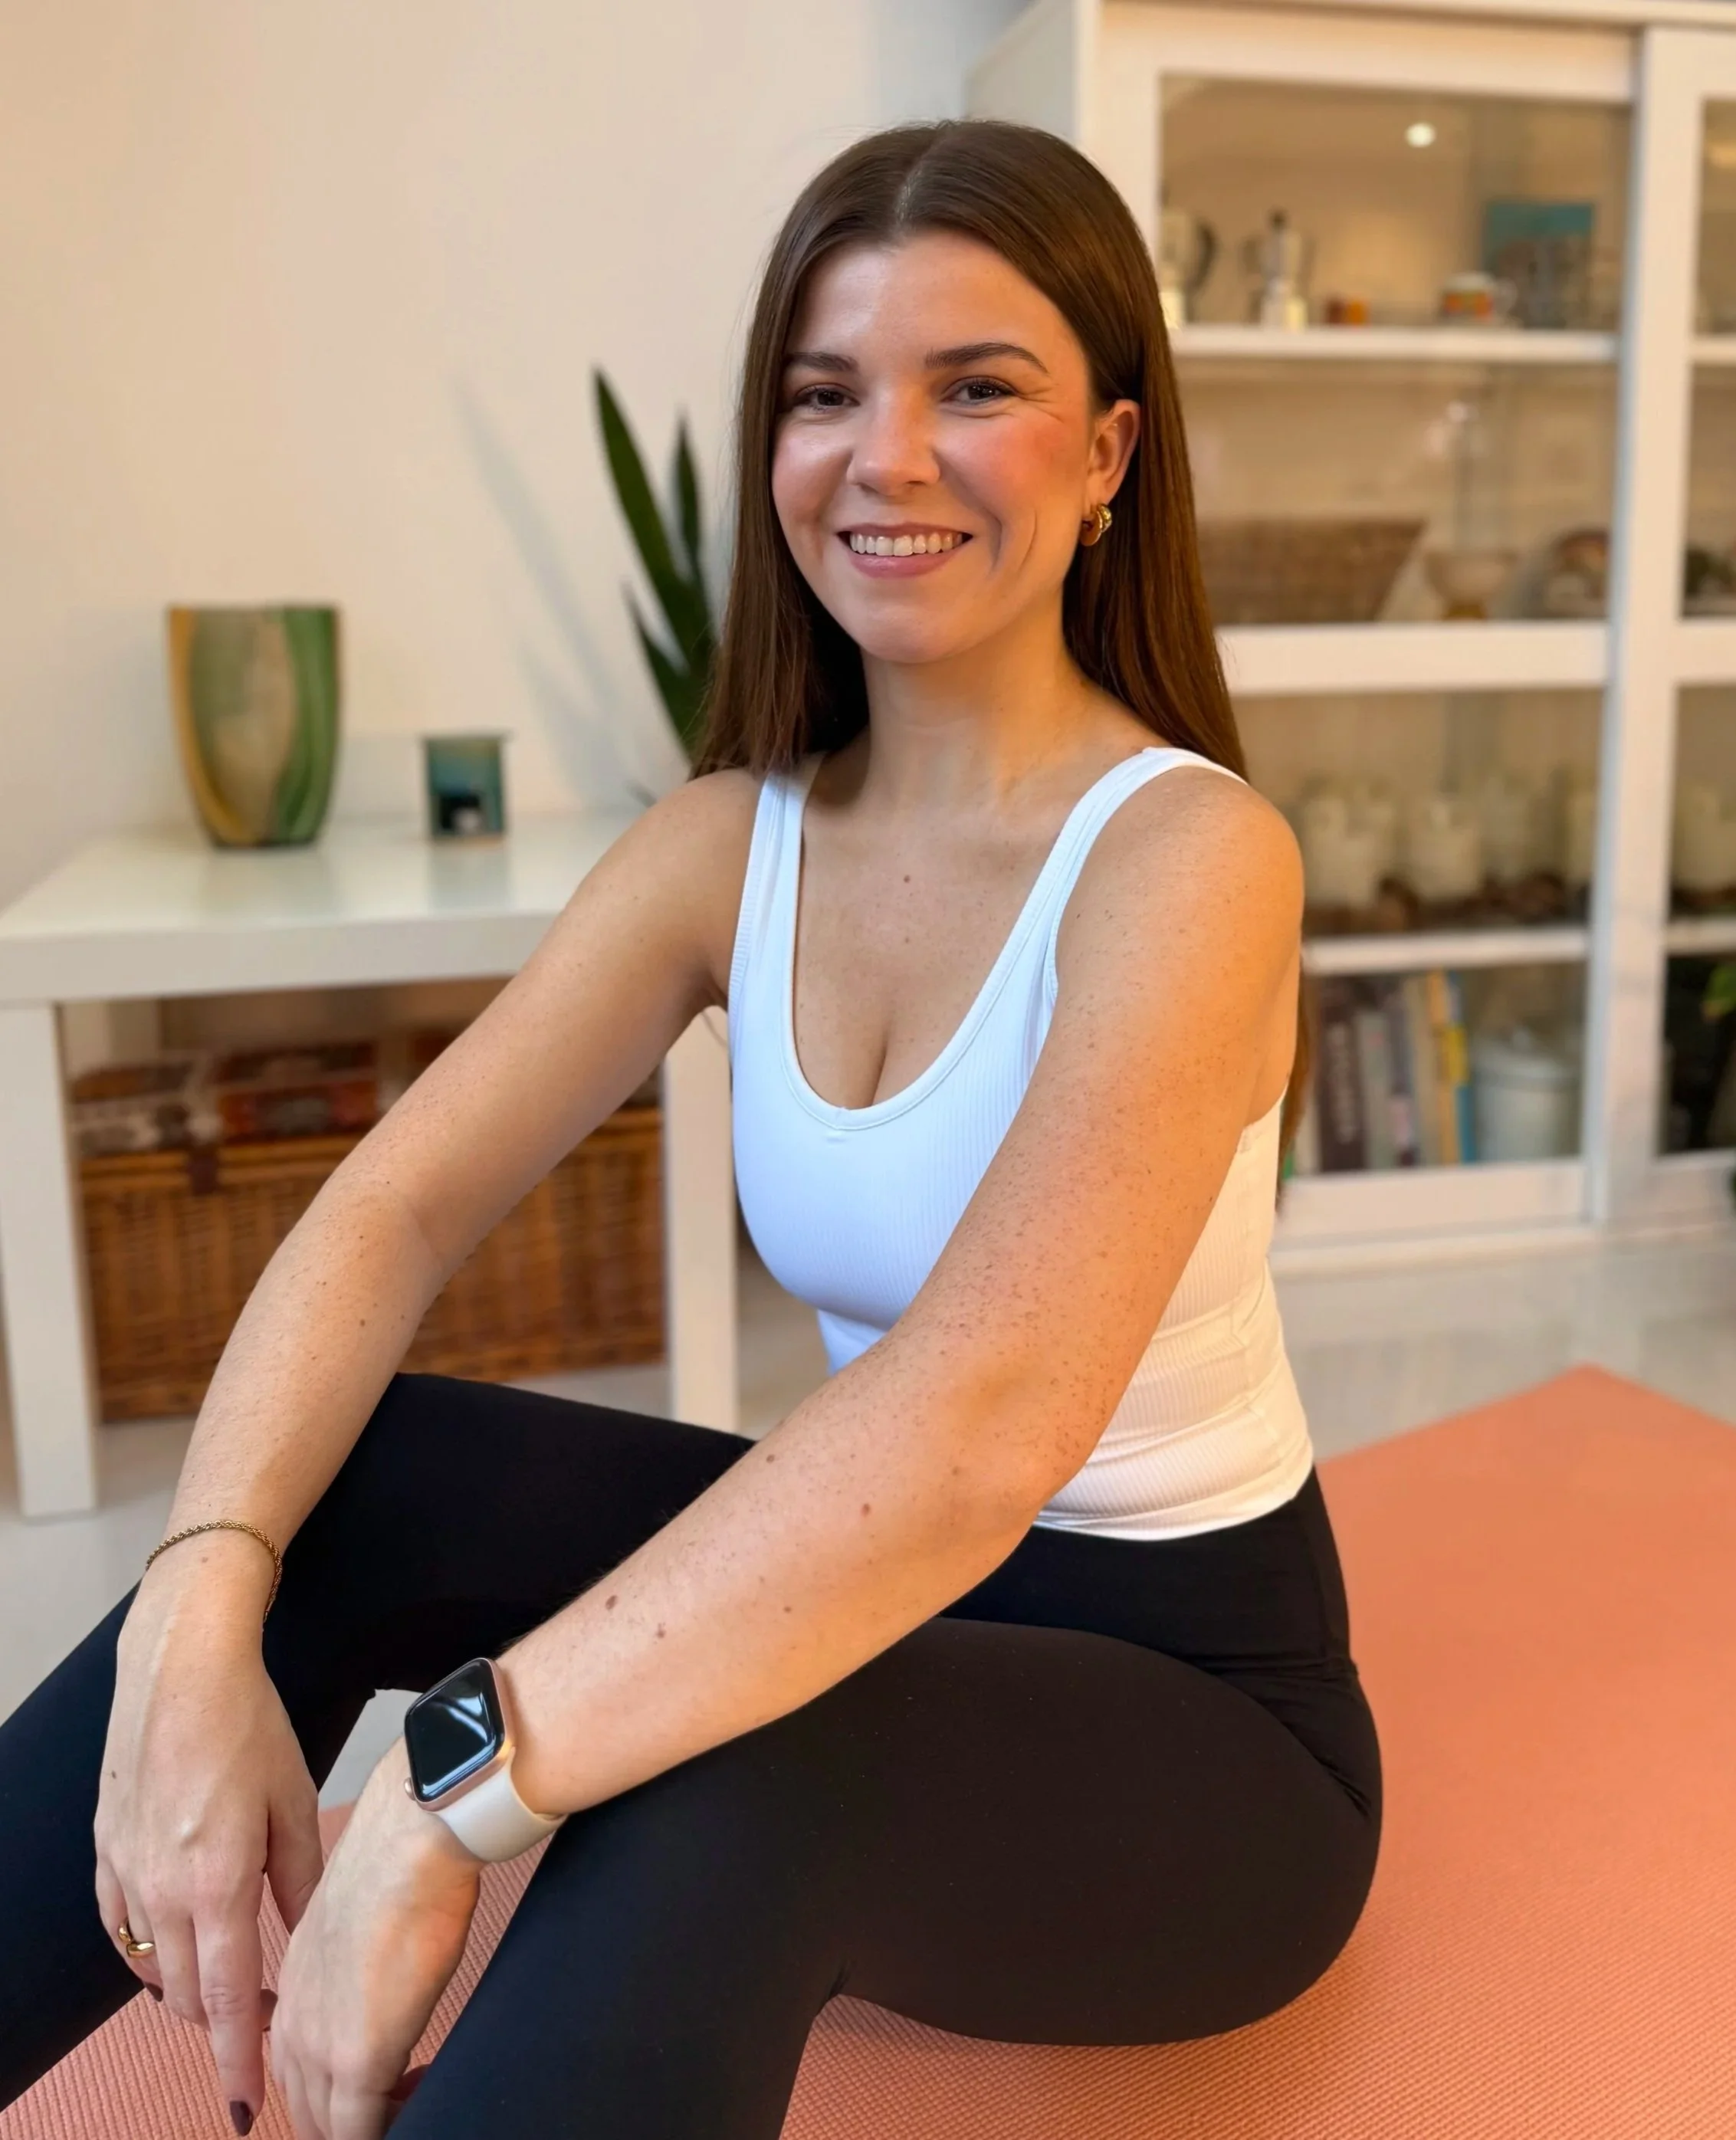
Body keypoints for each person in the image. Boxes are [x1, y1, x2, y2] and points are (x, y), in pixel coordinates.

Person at [0, 119, 1381, 2140]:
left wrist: (446, 1796)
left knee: (734, 1755)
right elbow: (386, 1215)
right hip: (894, 1589)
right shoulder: (723, 849)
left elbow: (978, 1426)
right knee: (361, 1481)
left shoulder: (1185, 860)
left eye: (973, 388)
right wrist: (188, 1636)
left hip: (1203, 1727)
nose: (881, 455)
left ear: (1106, 454)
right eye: (824, 395)